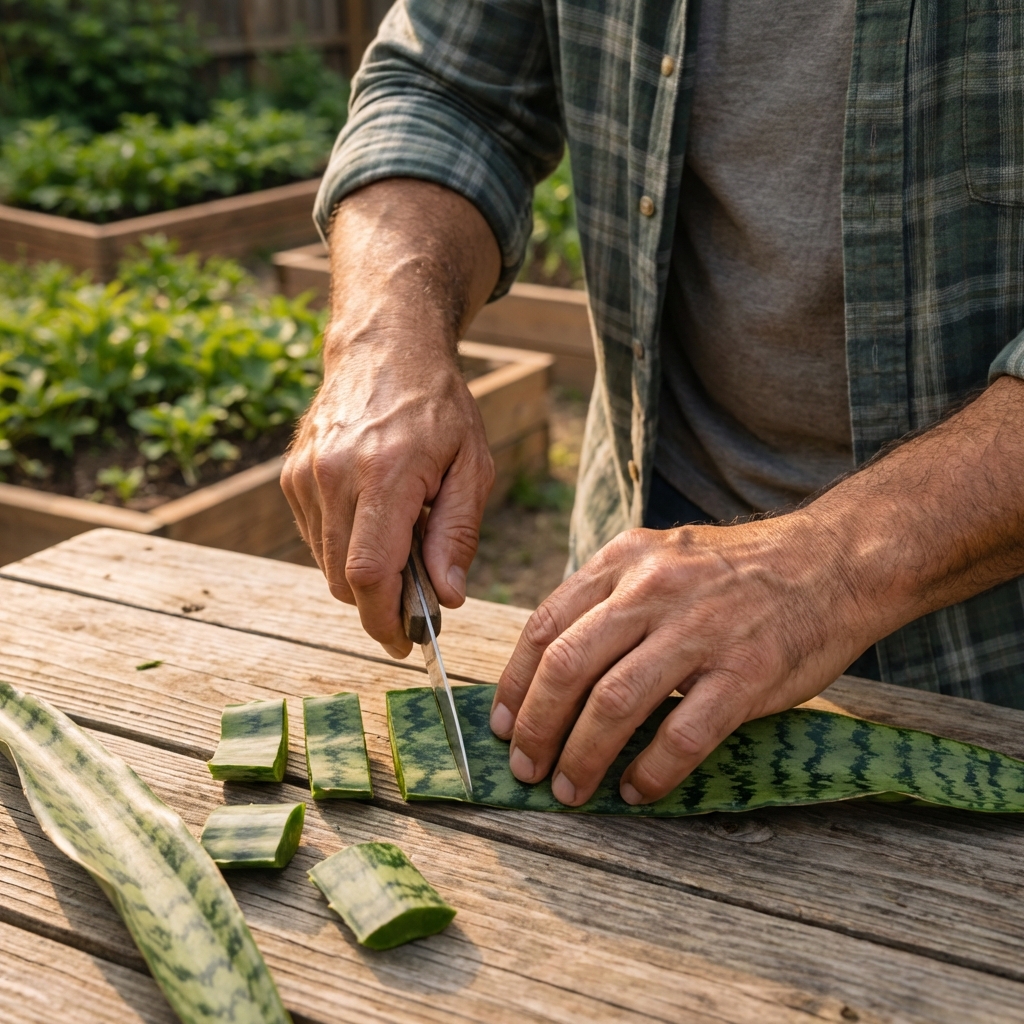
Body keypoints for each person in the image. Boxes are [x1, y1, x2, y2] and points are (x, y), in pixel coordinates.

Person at [282, 0, 1024, 810]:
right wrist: (381, 340)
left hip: (992, 651)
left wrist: (838, 565)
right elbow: (447, 89)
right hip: (642, 580)